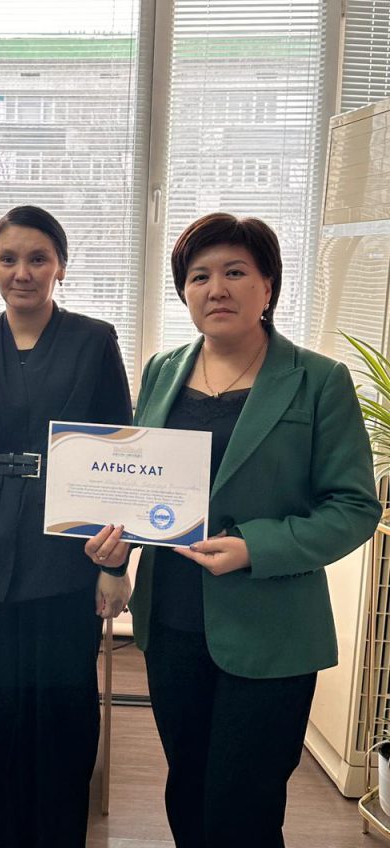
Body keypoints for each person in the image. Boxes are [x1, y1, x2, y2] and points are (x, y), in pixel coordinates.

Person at [87, 212, 382, 848]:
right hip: (172, 622)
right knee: (187, 789)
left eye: (235, 272)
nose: (216, 288)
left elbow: (355, 507)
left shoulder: (317, 380)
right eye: (199, 276)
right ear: (184, 292)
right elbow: (144, 485)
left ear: (268, 286)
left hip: (271, 629)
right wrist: (114, 547)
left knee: (243, 807)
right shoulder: (163, 369)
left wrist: (257, 547)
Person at [0, 205, 133, 848]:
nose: (23, 272)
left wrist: (115, 565)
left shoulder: (95, 339)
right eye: (8, 259)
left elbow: (120, 456)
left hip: (67, 544)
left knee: (62, 704)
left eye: (38, 258)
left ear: (60, 267)